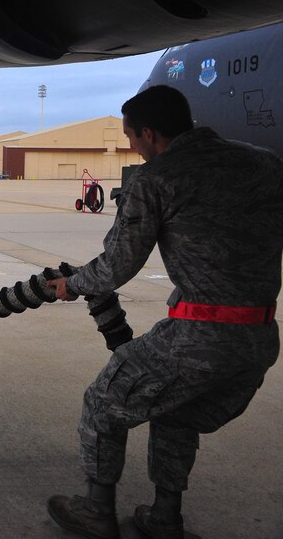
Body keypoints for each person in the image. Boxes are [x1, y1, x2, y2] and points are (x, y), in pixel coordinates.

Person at [45, 85, 282, 539]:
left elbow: (118, 265)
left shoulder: (156, 178)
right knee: (178, 412)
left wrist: (71, 285)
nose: (133, 146)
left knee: (103, 403)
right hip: (258, 340)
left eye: (131, 137)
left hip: (199, 336)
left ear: (149, 134)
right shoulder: (266, 163)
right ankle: (165, 520)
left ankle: (96, 511)